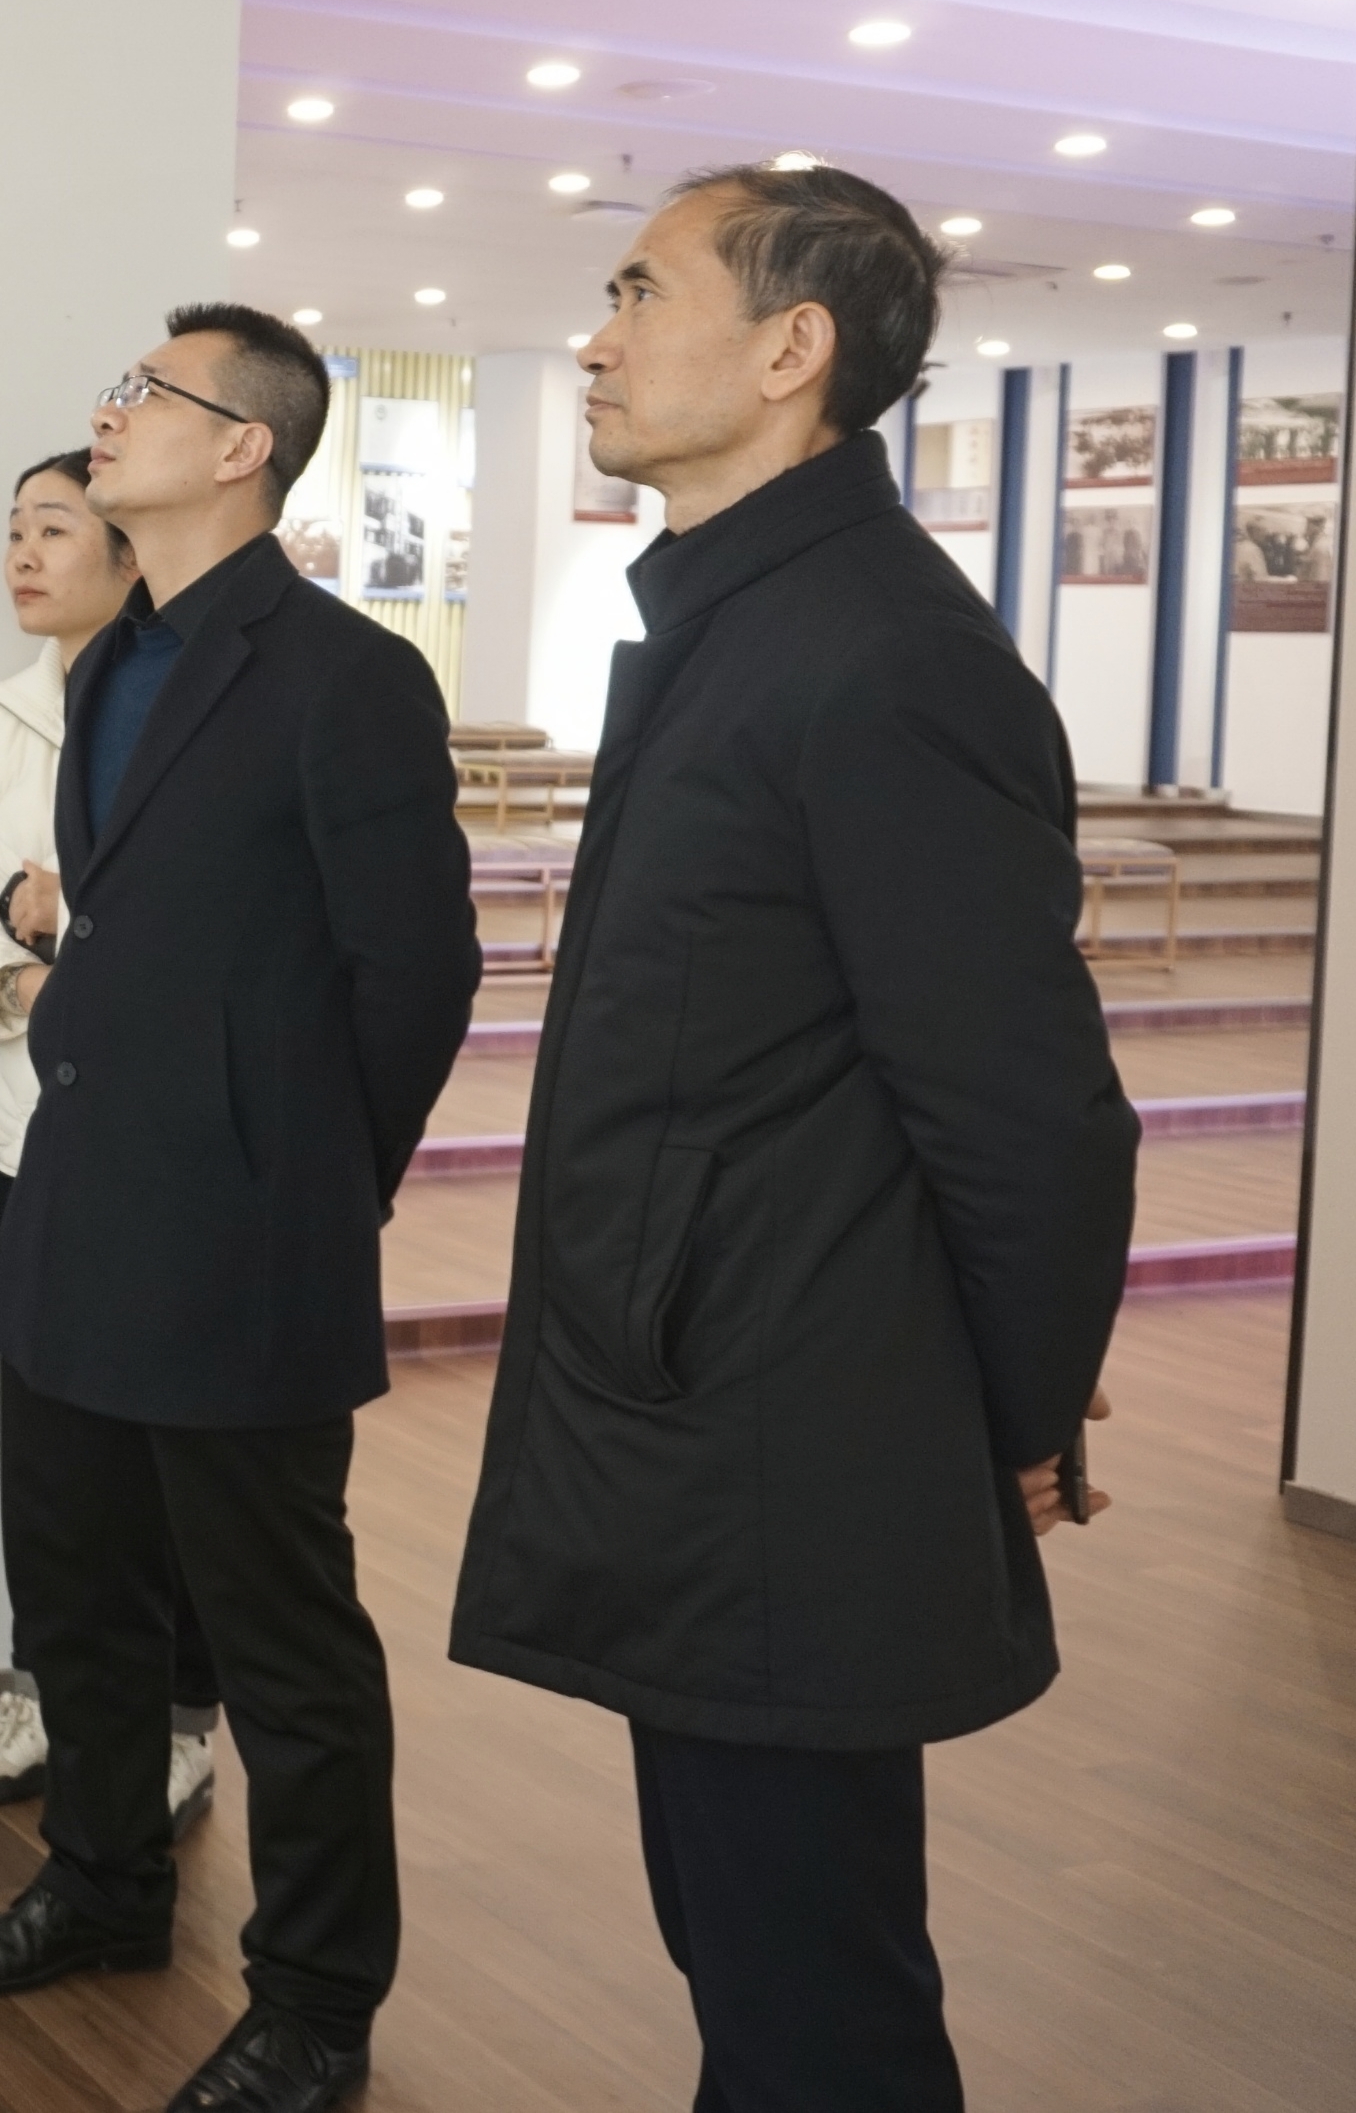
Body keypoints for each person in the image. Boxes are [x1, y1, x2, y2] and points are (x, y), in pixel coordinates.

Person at [450, 163, 1135, 2111]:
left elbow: (1027, 1112)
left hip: (791, 1431)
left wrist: (1014, 1414)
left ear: (786, 351)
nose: (594, 338)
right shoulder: (743, 619)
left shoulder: (882, 656)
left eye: (636, 291)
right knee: (748, 1962)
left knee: (812, 2001)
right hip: (708, 1400)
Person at [0, 303, 480, 2113]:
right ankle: (100, 1886)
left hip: (241, 1241)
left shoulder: (343, 674)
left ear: (244, 446)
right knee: (77, 1599)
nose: (109, 411)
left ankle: (313, 2003)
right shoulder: (113, 660)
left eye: (145, 393)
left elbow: (419, 972)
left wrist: (307, 1183)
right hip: (76, 1206)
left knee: (279, 1646)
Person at [0, 451, 220, 1839]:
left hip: (173, 1142)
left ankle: (180, 1722)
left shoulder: (191, 705)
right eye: (14, 530)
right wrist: (29, 975)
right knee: (47, 1447)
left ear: (130, 553)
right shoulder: (3, 719)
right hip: (32, 1122)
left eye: (54, 528)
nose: (23, 554)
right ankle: (43, 1693)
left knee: (168, 1449)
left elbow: (191, 913)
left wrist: (58, 910)